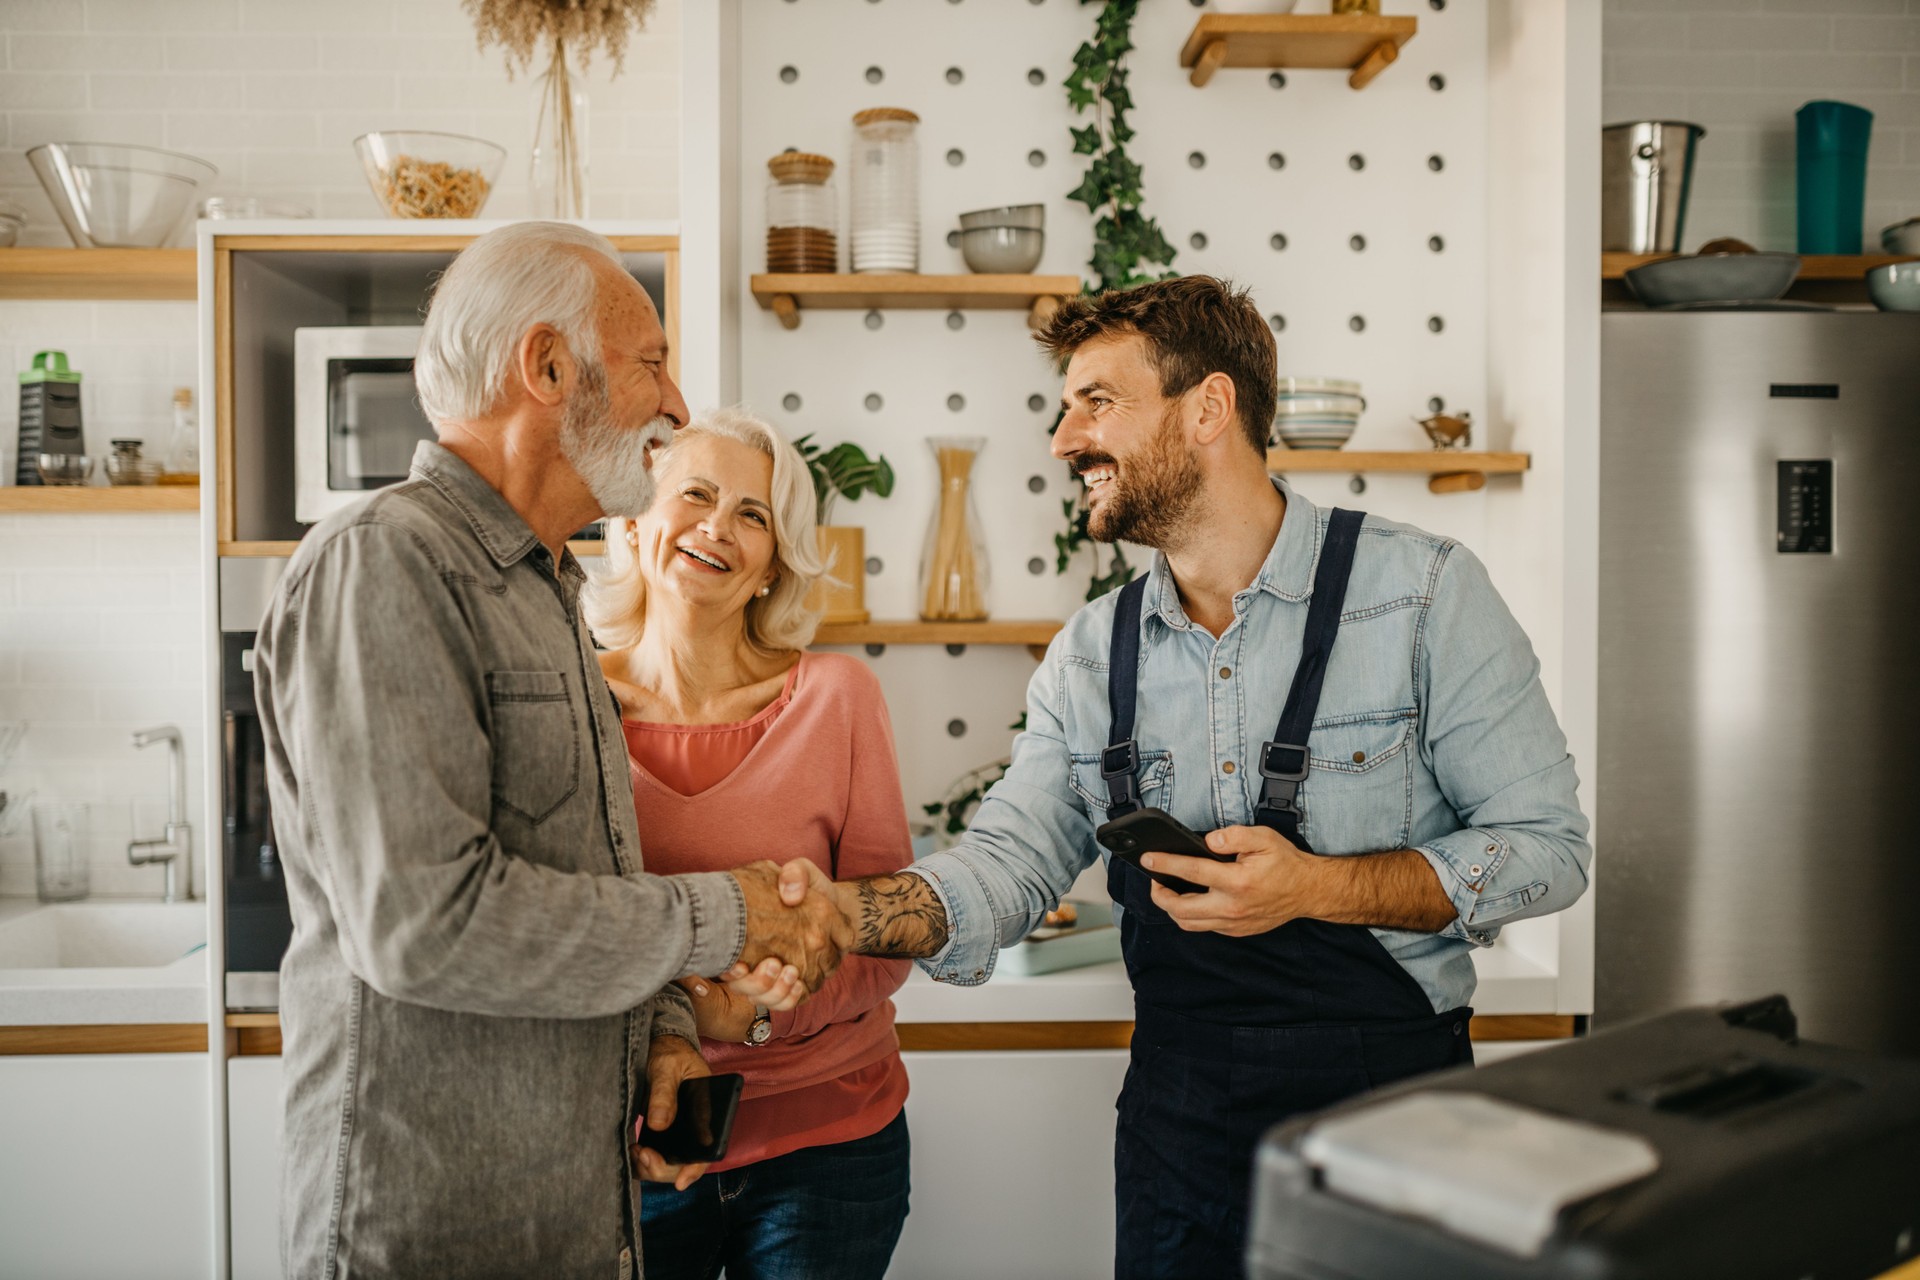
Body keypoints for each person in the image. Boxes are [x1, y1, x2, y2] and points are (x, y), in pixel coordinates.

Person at [779, 275, 1594, 1276]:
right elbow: (1008, 860)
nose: (1062, 439)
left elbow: (1549, 852)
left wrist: (1318, 886)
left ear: (1209, 407)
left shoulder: (1422, 594)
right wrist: (839, 914)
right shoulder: (1089, 652)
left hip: (1399, 1121)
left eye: (1097, 400)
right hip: (1180, 1126)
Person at [253, 222, 848, 1280]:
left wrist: (664, 1026)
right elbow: (426, 924)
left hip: (569, 1222)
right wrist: (733, 909)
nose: (673, 406)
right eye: (652, 361)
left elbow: (581, 882)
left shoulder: (546, 594)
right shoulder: (383, 564)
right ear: (546, 366)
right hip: (428, 1232)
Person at [583, 406, 914, 1280]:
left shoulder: (839, 698)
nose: (716, 529)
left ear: (774, 564)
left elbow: (886, 936)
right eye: (695, 495)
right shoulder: (571, 704)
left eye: (753, 515)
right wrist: (674, 1033)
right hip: (631, 1145)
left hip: (830, 1143)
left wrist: (756, 1016)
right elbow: (554, 925)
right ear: (632, 522)